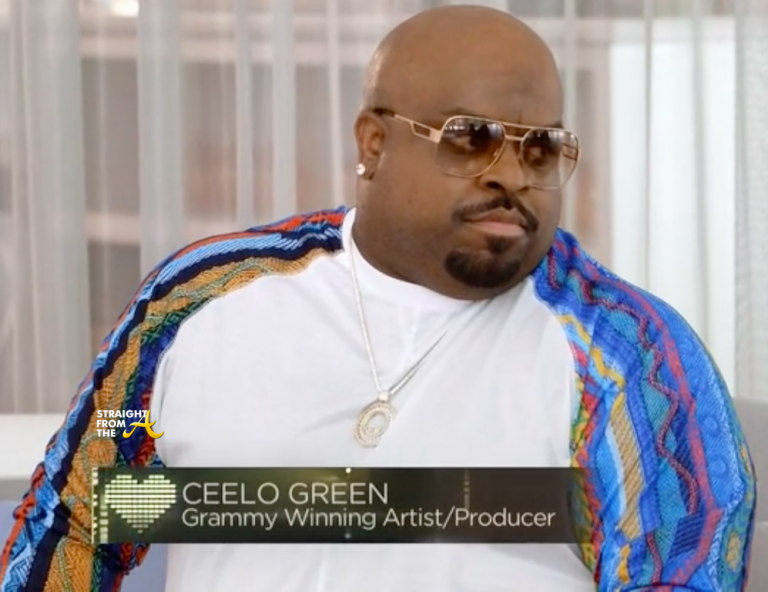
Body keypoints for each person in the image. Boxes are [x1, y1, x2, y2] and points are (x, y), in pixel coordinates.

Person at [0, 5, 757, 591]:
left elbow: (679, 572)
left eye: (540, 148)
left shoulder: (631, 358)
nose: (511, 175)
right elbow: (87, 517)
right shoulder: (199, 304)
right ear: (373, 143)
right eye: (470, 138)